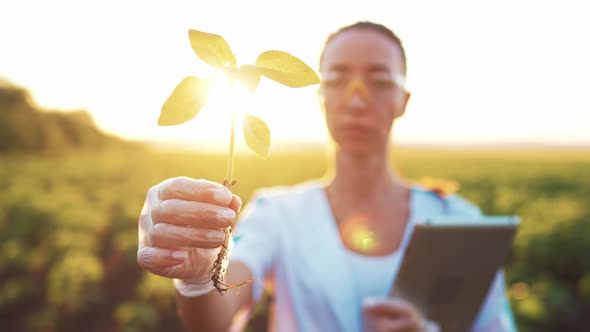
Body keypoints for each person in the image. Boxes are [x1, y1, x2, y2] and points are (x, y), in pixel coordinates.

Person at [137, 21, 517, 332]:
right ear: (319, 95)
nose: (356, 99)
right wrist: (199, 277)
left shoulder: (461, 222)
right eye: (337, 80)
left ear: (404, 101)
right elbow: (218, 315)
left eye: (380, 81)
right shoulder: (278, 212)